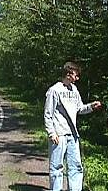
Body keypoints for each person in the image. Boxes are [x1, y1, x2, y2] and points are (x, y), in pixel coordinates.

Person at [44, 61, 101, 191]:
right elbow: (48, 114)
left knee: (76, 166)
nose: (77, 78)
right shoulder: (54, 90)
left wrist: (91, 106)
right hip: (59, 134)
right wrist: (51, 133)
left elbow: (79, 108)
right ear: (69, 74)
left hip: (73, 135)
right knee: (57, 167)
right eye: (76, 75)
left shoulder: (74, 89)